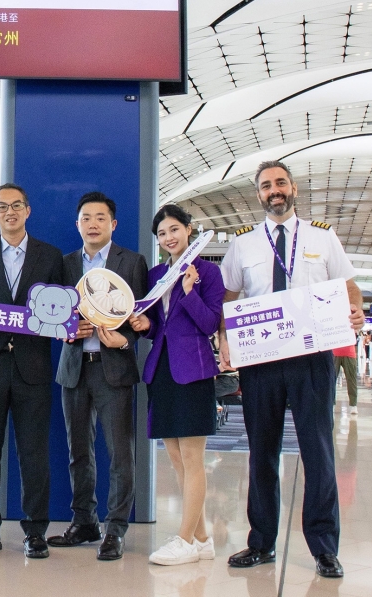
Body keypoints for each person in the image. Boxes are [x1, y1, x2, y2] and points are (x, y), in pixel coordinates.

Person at [219, 160, 364, 579]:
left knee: (317, 451)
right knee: (262, 451)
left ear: (293, 188)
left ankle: (324, 548)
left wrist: (355, 310)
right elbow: (228, 297)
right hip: (261, 360)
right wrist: (225, 339)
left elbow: (348, 285)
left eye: (280, 182)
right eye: (266, 185)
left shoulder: (322, 236)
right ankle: (261, 542)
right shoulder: (243, 244)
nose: (274, 190)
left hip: (312, 358)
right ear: (259, 195)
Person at [0, 183, 63, 560]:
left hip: (33, 367)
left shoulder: (50, 256)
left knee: (34, 454)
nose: (10, 212)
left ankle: (35, 531)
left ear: (28, 210)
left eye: (16, 205)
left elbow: (61, 310)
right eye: (2, 207)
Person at [47, 192, 147, 562]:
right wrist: (65, 329)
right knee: (78, 451)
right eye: (86, 218)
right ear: (78, 225)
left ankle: (115, 529)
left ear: (113, 224)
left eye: (100, 218)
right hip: (74, 367)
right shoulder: (65, 264)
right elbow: (52, 314)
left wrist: (127, 339)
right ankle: (84, 522)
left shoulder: (132, 262)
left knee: (120, 452)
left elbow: (142, 317)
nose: (93, 224)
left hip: (114, 368)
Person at [130, 204, 224, 566]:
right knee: (175, 458)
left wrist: (189, 291)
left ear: (189, 230)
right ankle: (201, 539)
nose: (169, 238)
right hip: (161, 369)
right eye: (162, 234)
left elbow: (209, 323)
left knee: (192, 458)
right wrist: (145, 327)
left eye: (174, 229)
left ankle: (184, 540)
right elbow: (158, 324)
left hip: (194, 369)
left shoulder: (208, 272)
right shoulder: (156, 274)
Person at [333, 344, 358, 415]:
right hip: (335, 351)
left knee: (351, 380)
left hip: (349, 352)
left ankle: (353, 404)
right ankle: (330, 404)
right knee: (330, 381)